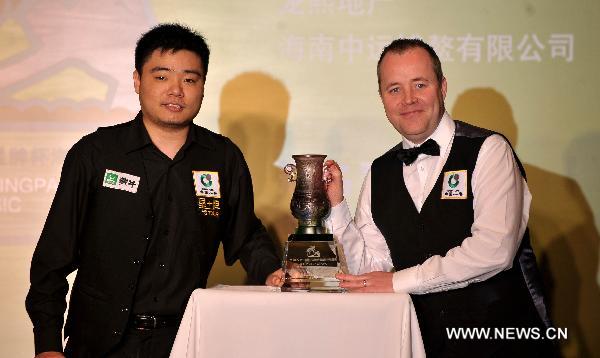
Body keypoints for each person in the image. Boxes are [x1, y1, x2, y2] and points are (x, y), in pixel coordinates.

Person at [26, 23, 284, 358]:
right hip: (98, 345)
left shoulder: (222, 157)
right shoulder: (96, 153)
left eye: (190, 79)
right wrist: (46, 345)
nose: (177, 90)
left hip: (184, 341)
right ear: (137, 80)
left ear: (203, 87)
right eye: (162, 76)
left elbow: (245, 234)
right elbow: (52, 257)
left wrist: (272, 271)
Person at [324, 38, 555, 356]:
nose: (408, 99)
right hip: (423, 344)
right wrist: (337, 206)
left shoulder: (489, 150)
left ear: (443, 87)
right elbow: (369, 271)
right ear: (382, 98)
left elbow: (494, 250)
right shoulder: (379, 172)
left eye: (420, 84)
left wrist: (399, 281)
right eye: (394, 89)